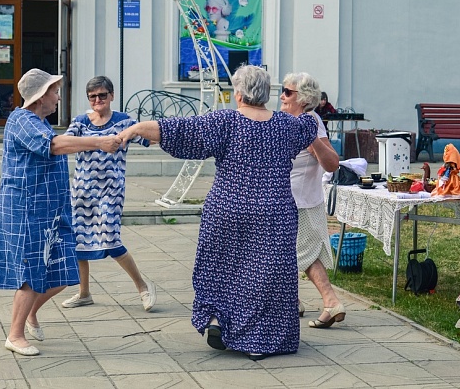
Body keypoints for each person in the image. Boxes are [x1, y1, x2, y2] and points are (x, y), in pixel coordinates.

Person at [118, 65, 320, 360]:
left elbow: (177, 130)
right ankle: (259, 341)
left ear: (238, 94)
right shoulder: (286, 126)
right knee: (266, 276)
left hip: (227, 209)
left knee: (218, 268)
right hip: (274, 212)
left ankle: (217, 320)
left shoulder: (224, 121)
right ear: (268, 94)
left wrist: (135, 128)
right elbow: (310, 124)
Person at [0, 68, 122, 357]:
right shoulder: (23, 120)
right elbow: (55, 145)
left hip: (50, 210)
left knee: (65, 270)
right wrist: (99, 142)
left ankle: (30, 313)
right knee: (30, 273)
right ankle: (14, 335)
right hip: (27, 210)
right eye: (55, 91)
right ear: (40, 97)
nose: (59, 97)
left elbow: (61, 144)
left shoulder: (37, 121)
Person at [60, 76, 156, 312]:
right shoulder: (81, 122)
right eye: (93, 96)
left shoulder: (124, 122)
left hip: (110, 193)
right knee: (79, 242)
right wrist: (96, 142)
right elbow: (66, 142)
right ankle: (84, 293)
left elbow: (149, 138)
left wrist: (173, 135)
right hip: (82, 192)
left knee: (111, 240)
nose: (98, 100)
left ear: (112, 96)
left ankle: (143, 287)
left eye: (102, 95)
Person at [280, 73, 346, 328]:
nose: (282, 96)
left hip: (302, 200)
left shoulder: (310, 121)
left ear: (304, 99)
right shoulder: (286, 119)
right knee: (292, 252)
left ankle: (330, 302)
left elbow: (332, 163)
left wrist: (313, 144)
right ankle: (296, 301)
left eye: (288, 92)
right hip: (289, 198)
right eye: (283, 91)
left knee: (302, 254)